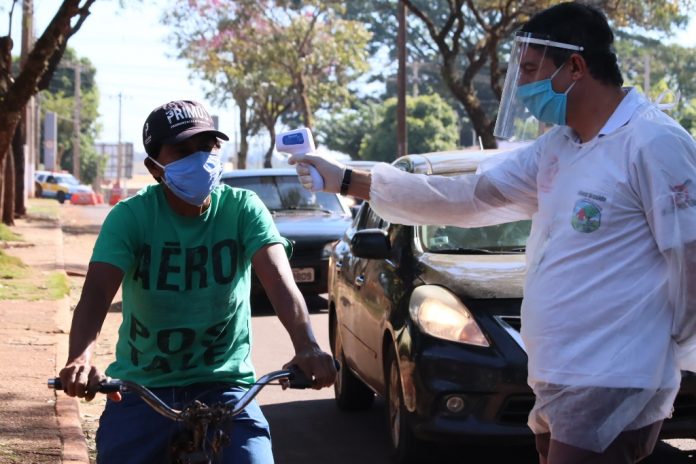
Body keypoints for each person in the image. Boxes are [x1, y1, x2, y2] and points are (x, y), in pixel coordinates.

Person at [291, 3, 696, 464]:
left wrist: (667, 348)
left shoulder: (653, 143)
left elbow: (690, 260)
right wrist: (346, 180)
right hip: (559, 372)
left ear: (576, 66)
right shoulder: (558, 147)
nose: (521, 85)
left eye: (531, 69)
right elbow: (469, 195)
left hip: (614, 374)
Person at [59, 99, 337, 464]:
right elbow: (96, 294)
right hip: (143, 388)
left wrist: (308, 346)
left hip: (226, 387)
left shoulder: (243, 209)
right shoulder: (131, 217)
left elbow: (280, 282)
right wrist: (81, 358)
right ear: (154, 168)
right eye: (183, 151)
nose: (200, 159)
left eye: (207, 147)